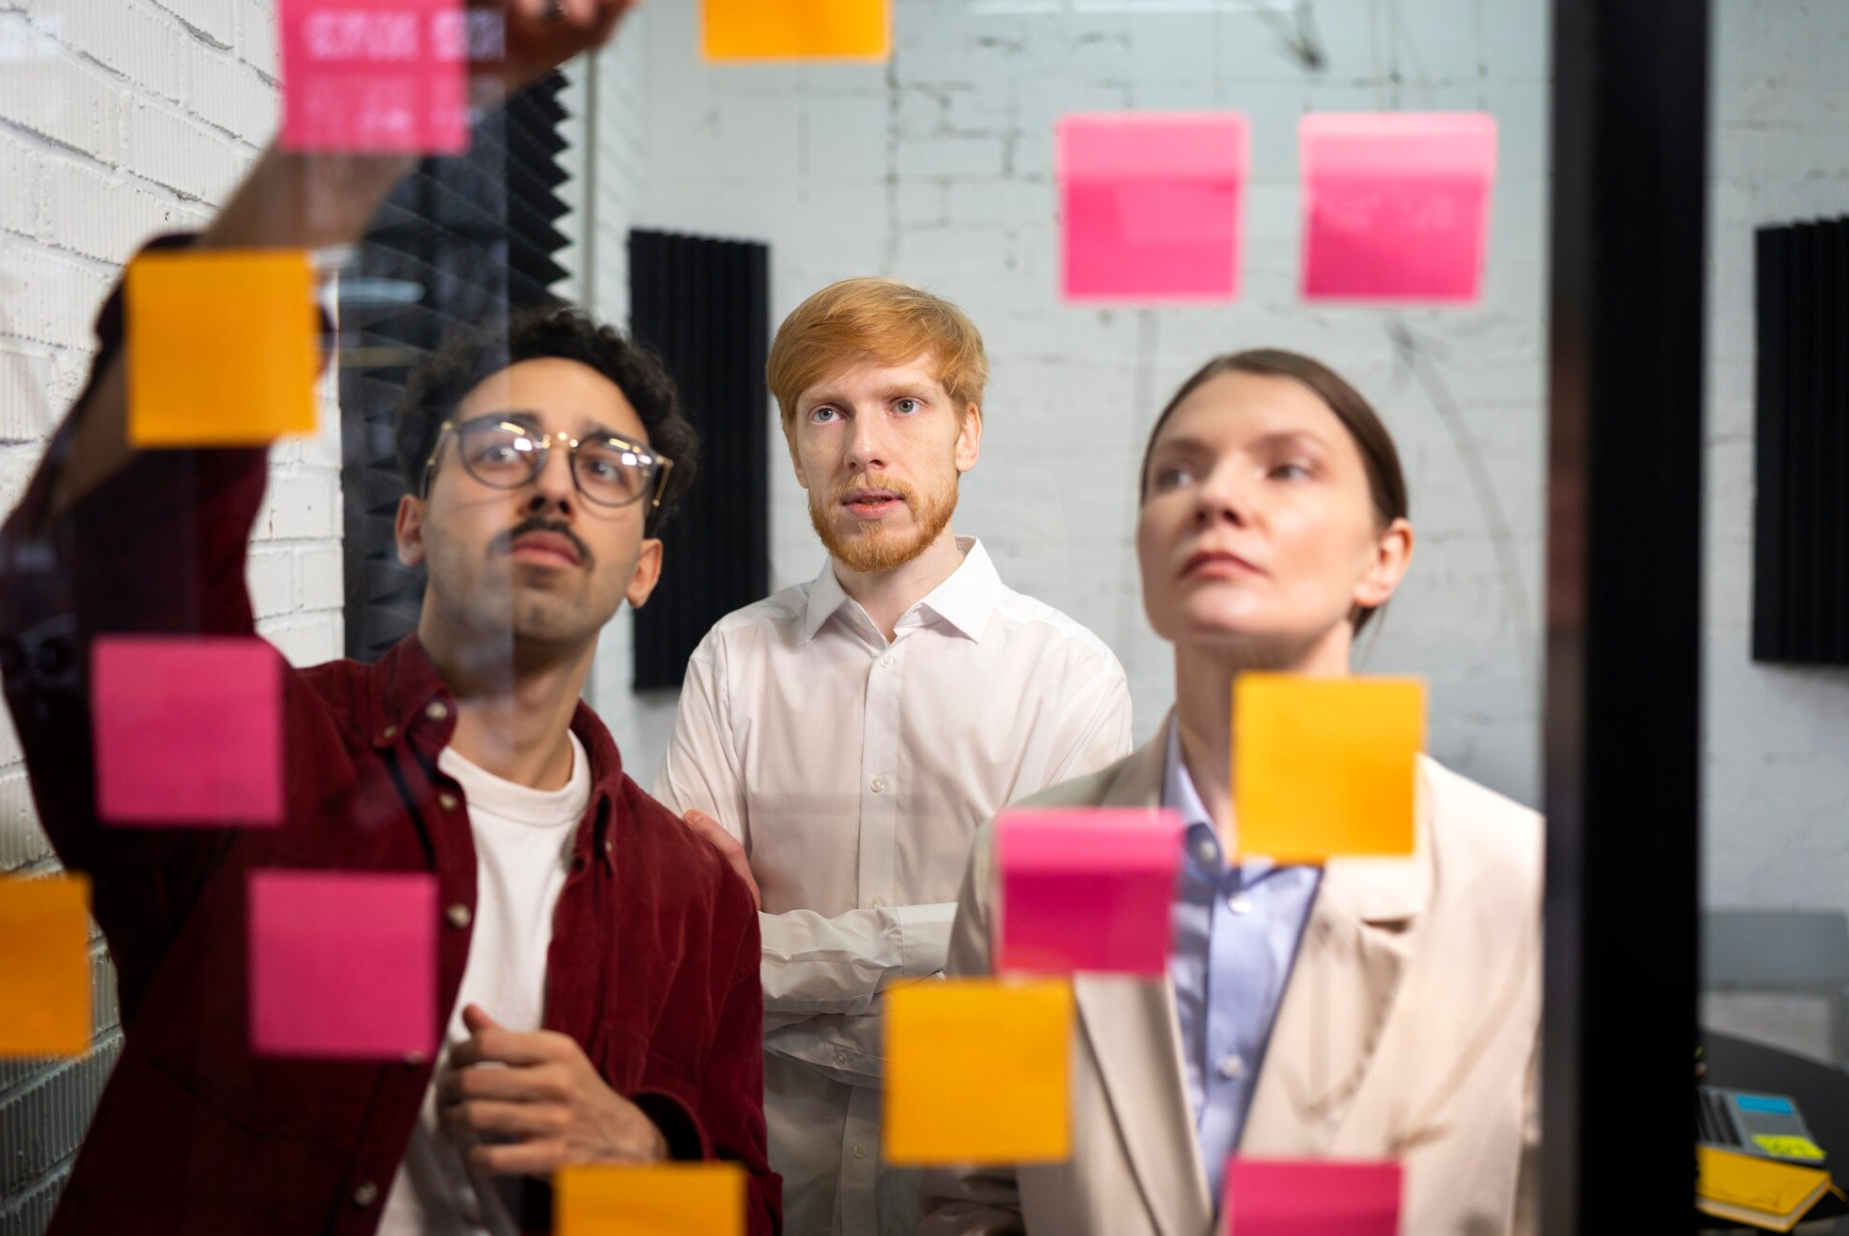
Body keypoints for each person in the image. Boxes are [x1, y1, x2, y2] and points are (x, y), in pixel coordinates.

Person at [0, 4, 779, 1234]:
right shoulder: (269, 762)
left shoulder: (697, 899)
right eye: (503, 445)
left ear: (646, 567)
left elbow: (746, 1210)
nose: (551, 478)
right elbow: (108, 564)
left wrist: (644, 1157)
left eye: (607, 463)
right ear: (409, 523)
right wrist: (346, 140)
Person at [918, 350, 1541, 1236]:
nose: (1214, 498)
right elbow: (967, 1197)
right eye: (1176, 472)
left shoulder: (1518, 878)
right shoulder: (1024, 858)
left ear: (1383, 557)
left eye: (1286, 467)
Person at [652, 277, 1134, 1236]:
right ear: (794, 447)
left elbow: (1059, 976)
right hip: (762, 1181)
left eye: (902, 405)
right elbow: (687, 960)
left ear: (967, 434)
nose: (863, 447)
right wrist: (954, 940)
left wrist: (783, 954)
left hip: (975, 1192)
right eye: (825, 412)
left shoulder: (1070, 675)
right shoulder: (731, 659)